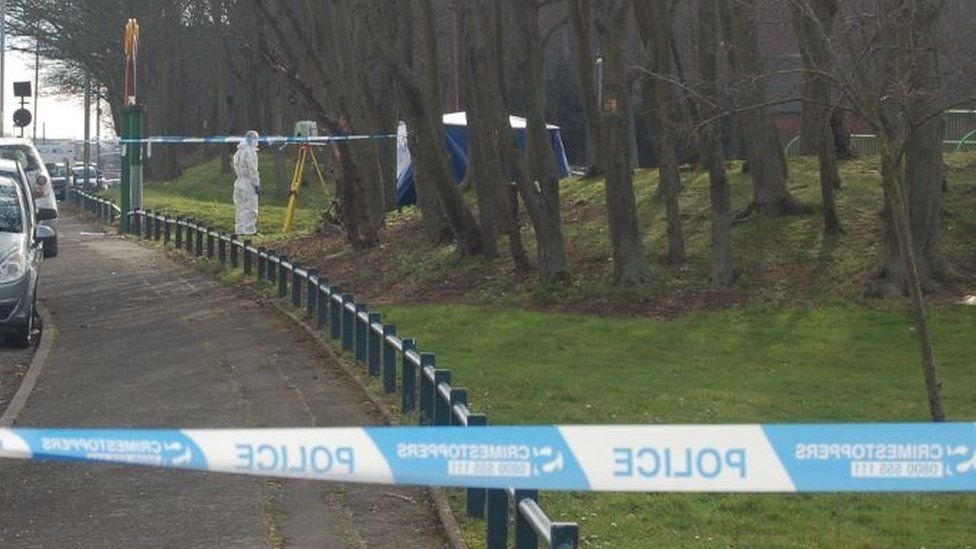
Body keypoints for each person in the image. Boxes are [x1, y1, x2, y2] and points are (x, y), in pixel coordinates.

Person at [233, 130, 261, 235]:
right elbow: (252, 170)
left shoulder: (239, 151)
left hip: (238, 181)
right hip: (248, 183)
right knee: (250, 207)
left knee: (239, 207)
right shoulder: (250, 152)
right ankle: (249, 230)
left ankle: (239, 229)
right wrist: (256, 184)